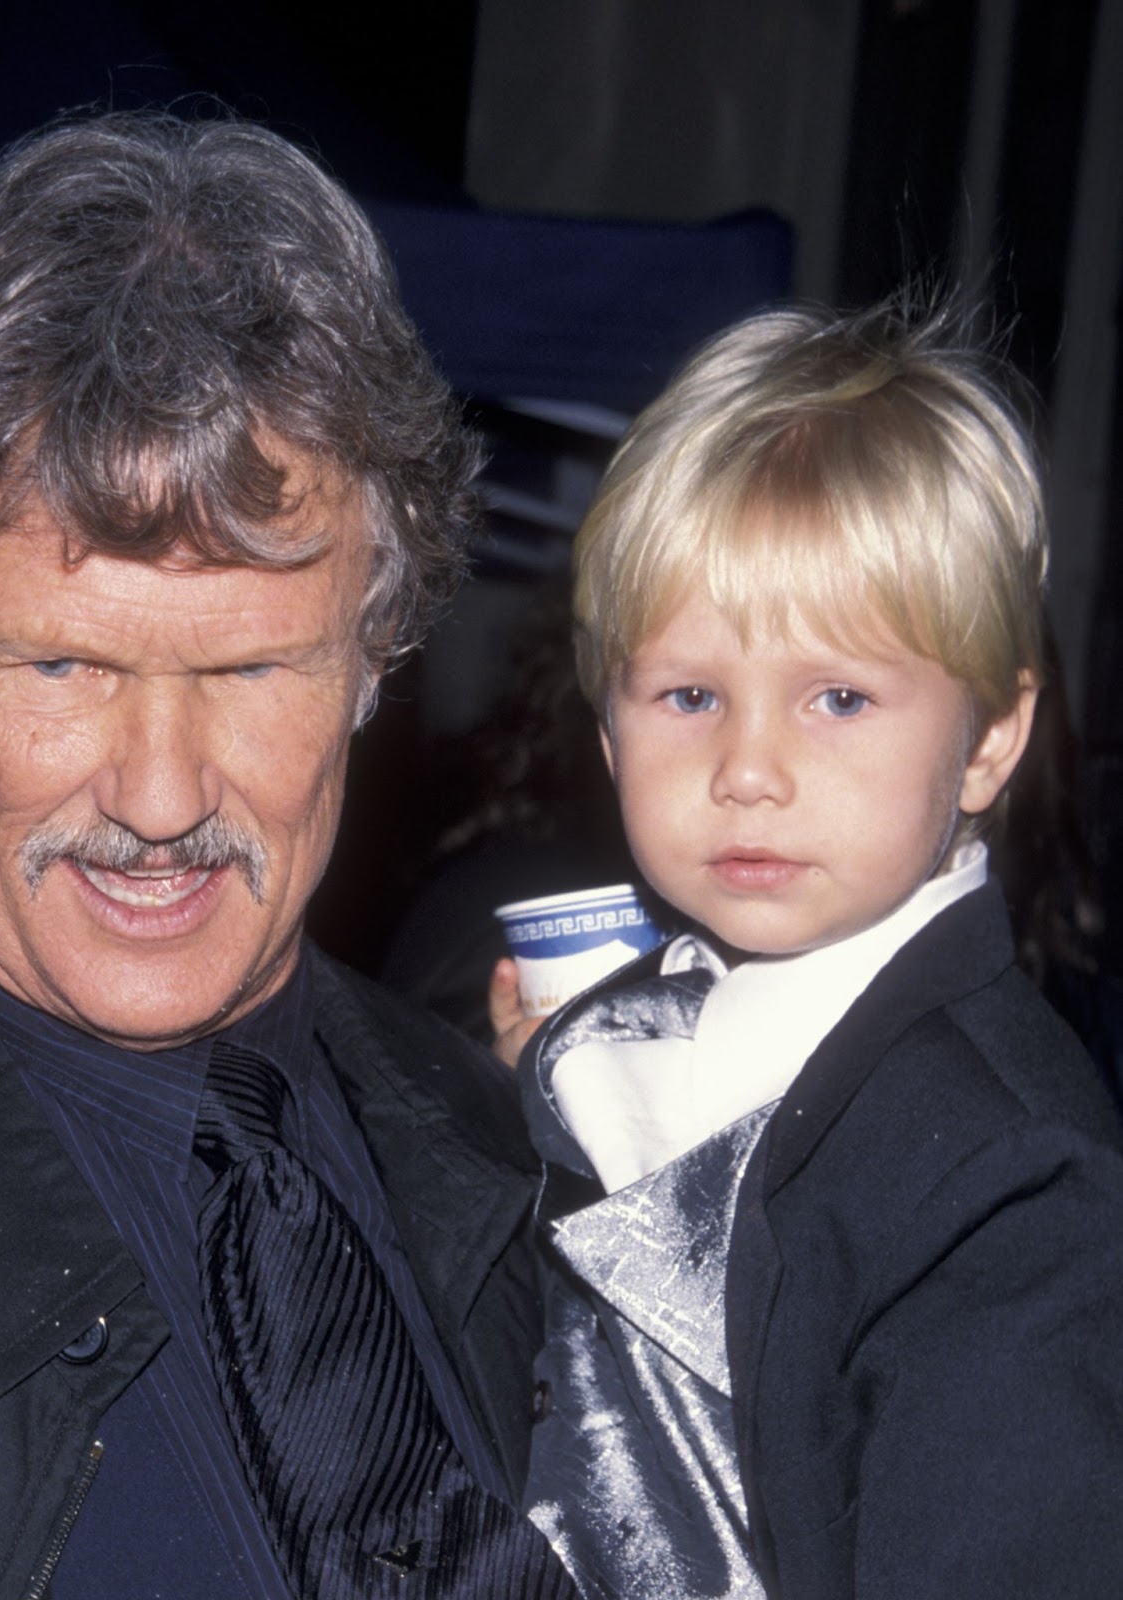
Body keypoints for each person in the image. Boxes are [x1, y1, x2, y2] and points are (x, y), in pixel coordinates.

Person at [0, 113, 576, 1600]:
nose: (156, 796)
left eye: (247, 673)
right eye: (64, 667)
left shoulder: (525, 1155)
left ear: (376, 655)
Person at [495, 303, 1123, 1597]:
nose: (750, 771)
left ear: (993, 739)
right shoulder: (611, 1034)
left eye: (839, 698)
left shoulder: (1011, 1184)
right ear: (608, 727)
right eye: (689, 696)